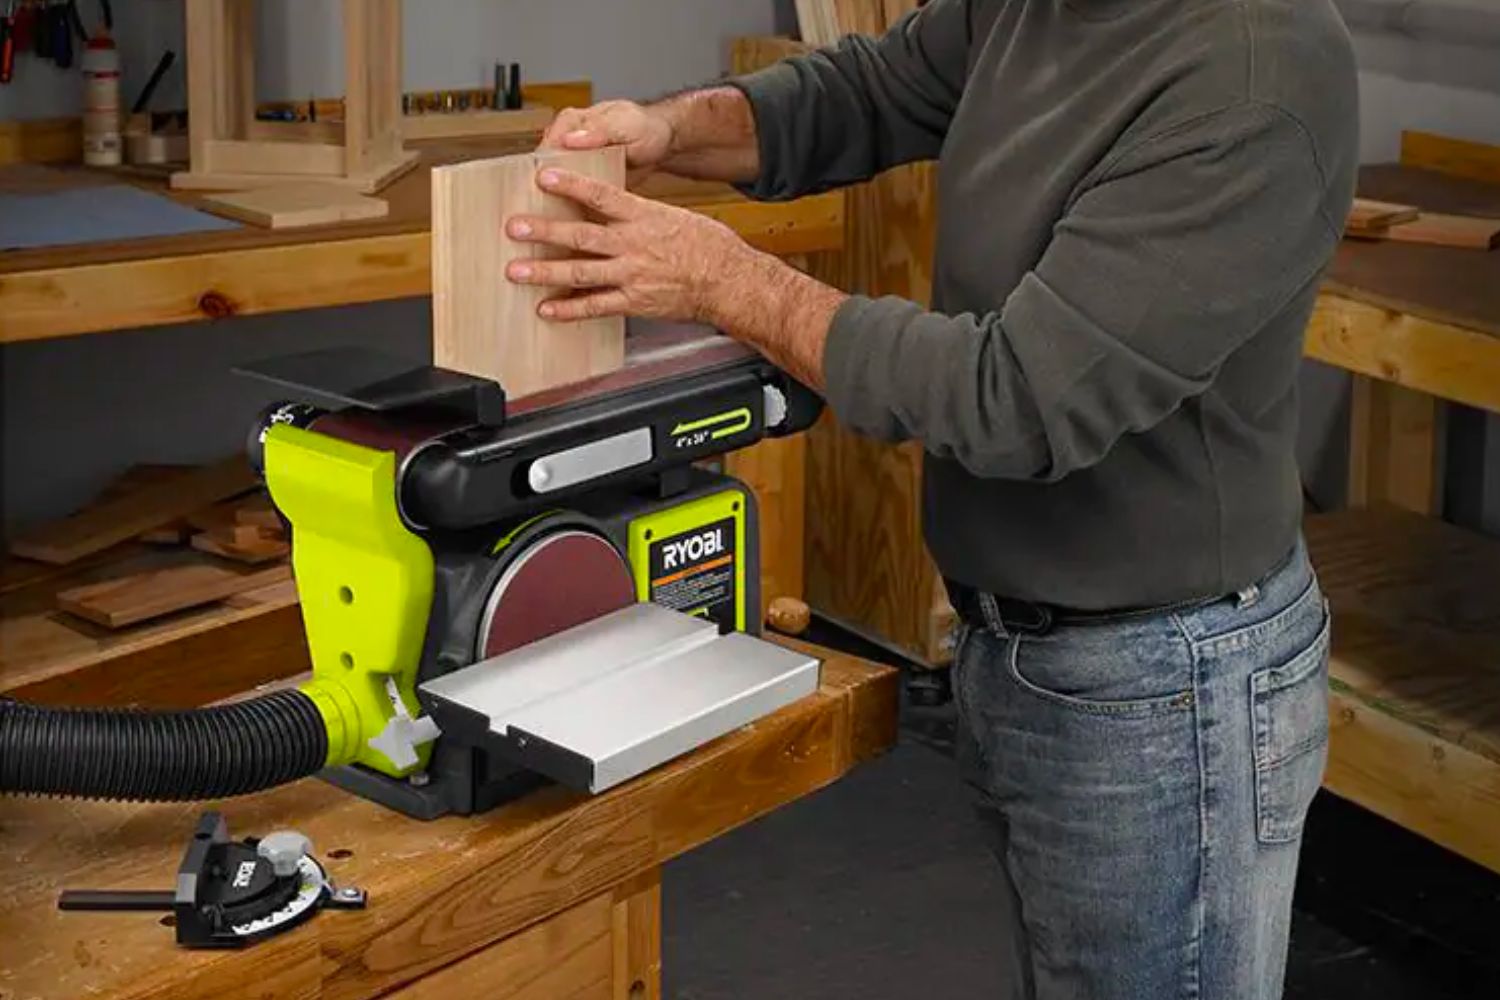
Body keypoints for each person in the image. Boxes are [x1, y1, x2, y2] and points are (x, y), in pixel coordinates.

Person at [502, 1, 1359, 997]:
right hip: (1024, 647)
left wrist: (723, 280)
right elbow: (875, 88)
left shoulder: (1256, 73)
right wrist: (677, 129)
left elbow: (1019, 399)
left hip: (1164, 687)